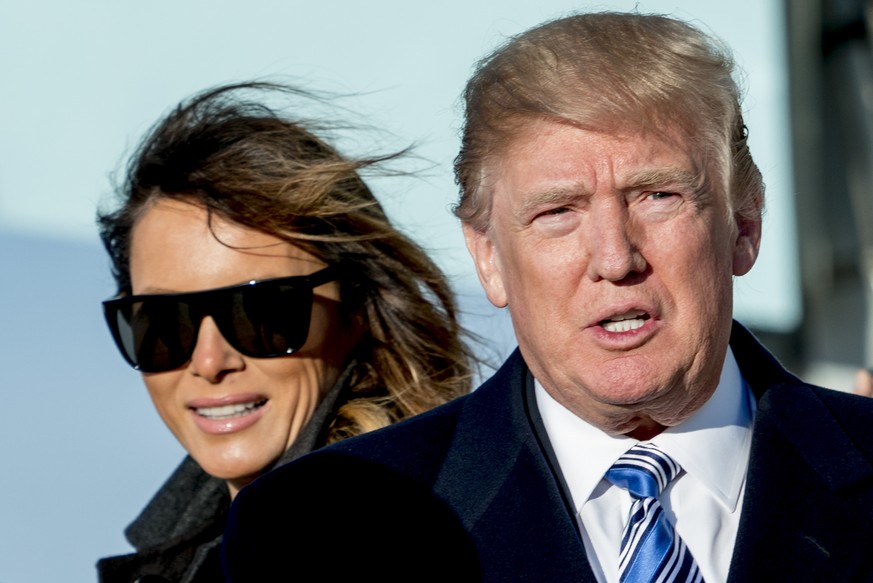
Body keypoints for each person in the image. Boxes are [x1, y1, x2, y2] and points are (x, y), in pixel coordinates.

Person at [222, 12, 873, 582]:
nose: (614, 258)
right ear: (488, 257)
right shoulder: (316, 535)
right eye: (558, 211)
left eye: (656, 195)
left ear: (745, 224)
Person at [95, 82, 475, 582]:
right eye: (164, 323)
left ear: (356, 306)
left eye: (260, 312)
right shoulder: (185, 556)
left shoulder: (407, 540)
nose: (210, 362)